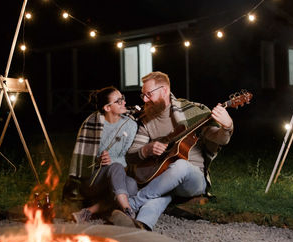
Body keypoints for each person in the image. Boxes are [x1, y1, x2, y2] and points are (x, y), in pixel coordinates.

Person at [123, 71, 234, 231]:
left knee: (180, 166)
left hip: (192, 181)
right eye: (143, 95)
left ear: (164, 91)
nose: (145, 100)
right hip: (162, 179)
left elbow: (220, 138)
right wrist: (147, 150)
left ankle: (131, 204)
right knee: (161, 194)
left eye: (148, 94)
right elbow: (131, 156)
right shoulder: (146, 121)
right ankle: (142, 226)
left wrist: (227, 126)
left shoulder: (190, 112)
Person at [66, 86, 138, 223]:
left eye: (123, 98)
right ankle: (128, 211)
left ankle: (88, 212)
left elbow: (126, 157)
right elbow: (82, 163)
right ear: (107, 108)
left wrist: (112, 161)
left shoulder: (130, 125)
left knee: (132, 186)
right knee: (116, 168)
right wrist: (98, 160)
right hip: (92, 180)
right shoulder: (91, 124)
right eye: (118, 101)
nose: (124, 102)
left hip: (116, 177)